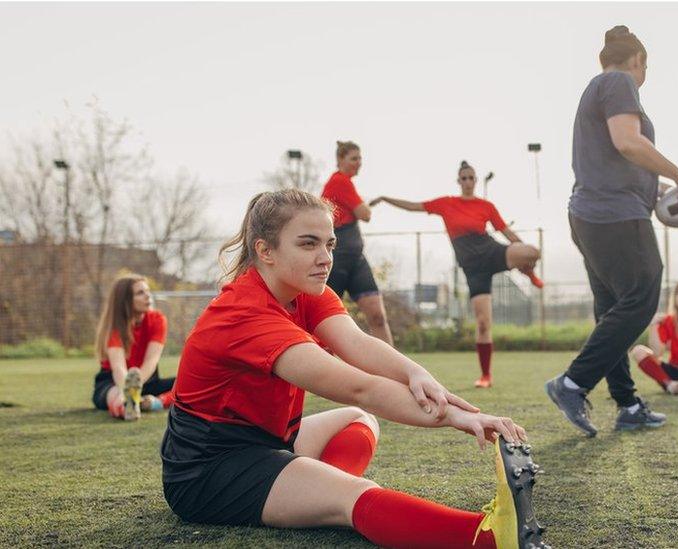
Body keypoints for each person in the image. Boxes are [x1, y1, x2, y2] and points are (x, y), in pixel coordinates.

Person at [160, 189, 548, 549]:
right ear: (266, 251)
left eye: (329, 243)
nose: (325, 257)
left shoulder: (303, 290)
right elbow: (360, 387)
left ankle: (310, 494)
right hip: (209, 469)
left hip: (268, 442)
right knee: (353, 494)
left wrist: (417, 374)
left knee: (357, 421)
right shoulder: (244, 314)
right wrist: (459, 418)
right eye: (308, 244)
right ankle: (489, 538)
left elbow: (359, 345)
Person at [544, 25, 678, 436]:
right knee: (642, 295)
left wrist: (659, 188)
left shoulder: (597, 87)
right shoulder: (619, 82)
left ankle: (627, 404)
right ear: (638, 61)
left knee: (611, 311)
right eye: (646, 67)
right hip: (613, 215)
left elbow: (617, 157)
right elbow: (628, 143)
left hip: (591, 214)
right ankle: (572, 383)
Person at [370, 160, 543, 388]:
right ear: (458, 181)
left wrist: (524, 259)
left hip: (492, 252)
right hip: (474, 268)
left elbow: (506, 232)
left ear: (476, 181)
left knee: (532, 251)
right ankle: (485, 376)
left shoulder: (486, 206)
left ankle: (526, 270)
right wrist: (384, 198)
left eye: (472, 178)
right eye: (464, 178)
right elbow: (413, 206)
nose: (468, 182)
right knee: (483, 324)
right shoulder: (446, 204)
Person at [321, 140, 393, 345]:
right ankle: (321, 370)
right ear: (340, 159)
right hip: (337, 259)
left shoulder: (347, 183)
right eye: (353, 158)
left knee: (378, 316)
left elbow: (357, 210)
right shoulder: (339, 181)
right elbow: (365, 214)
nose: (358, 162)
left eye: (360, 158)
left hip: (356, 260)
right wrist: (363, 206)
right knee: (326, 322)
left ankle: (394, 371)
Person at [92, 274, 174, 420]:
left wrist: (136, 386)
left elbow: (151, 361)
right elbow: (118, 368)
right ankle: (127, 406)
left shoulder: (158, 320)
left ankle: (154, 402)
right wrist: (127, 392)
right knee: (116, 394)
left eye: (147, 291)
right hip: (113, 381)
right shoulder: (115, 326)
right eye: (140, 293)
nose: (148, 296)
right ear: (126, 300)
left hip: (147, 379)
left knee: (186, 384)